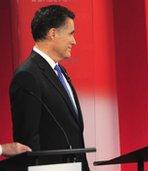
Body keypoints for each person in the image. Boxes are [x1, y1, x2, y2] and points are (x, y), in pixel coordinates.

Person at [9, 5, 89, 170]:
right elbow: (28, 141)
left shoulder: (60, 71)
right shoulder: (28, 75)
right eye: (71, 34)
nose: (74, 41)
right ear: (53, 33)